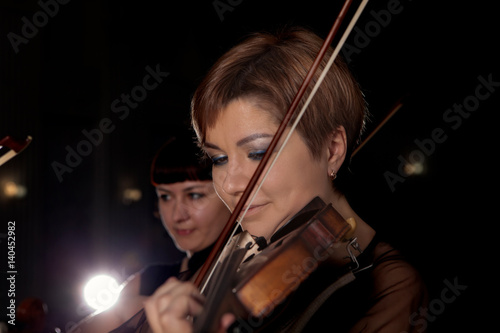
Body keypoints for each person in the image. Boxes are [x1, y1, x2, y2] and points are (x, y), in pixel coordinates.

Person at [143, 26, 429, 332]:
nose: (230, 184)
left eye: (258, 153)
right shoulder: (243, 248)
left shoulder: (390, 285)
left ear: (332, 150)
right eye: (219, 159)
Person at [69, 132, 231, 332]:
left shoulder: (244, 270)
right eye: (166, 197)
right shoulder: (149, 279)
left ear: (229, 193)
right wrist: (129, 308)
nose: (177, 215)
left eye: (195, 195)